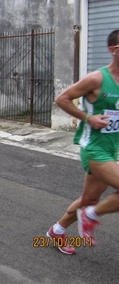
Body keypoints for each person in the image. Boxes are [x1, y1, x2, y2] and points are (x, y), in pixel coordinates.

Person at [46, 29, 119, 254]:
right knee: (90, 206)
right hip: (94, 150)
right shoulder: (98, 78)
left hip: (111, 148)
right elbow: (62, 99)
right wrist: (89, 118)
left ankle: (57, 230)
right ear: (113, 50)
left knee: (89, 198)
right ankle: (90, 216)